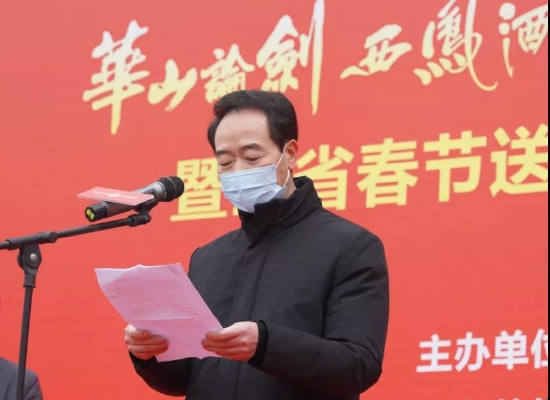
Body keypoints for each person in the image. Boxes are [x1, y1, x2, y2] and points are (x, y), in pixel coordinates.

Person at [125, 90, 390, 400]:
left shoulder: (350, 247)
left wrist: (266, 344)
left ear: (290, 154)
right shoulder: (208, 258)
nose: (238, 171)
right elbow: (185, 379)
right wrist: (151, 353)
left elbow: (358, 365)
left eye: (252, 157)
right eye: (225, 162)